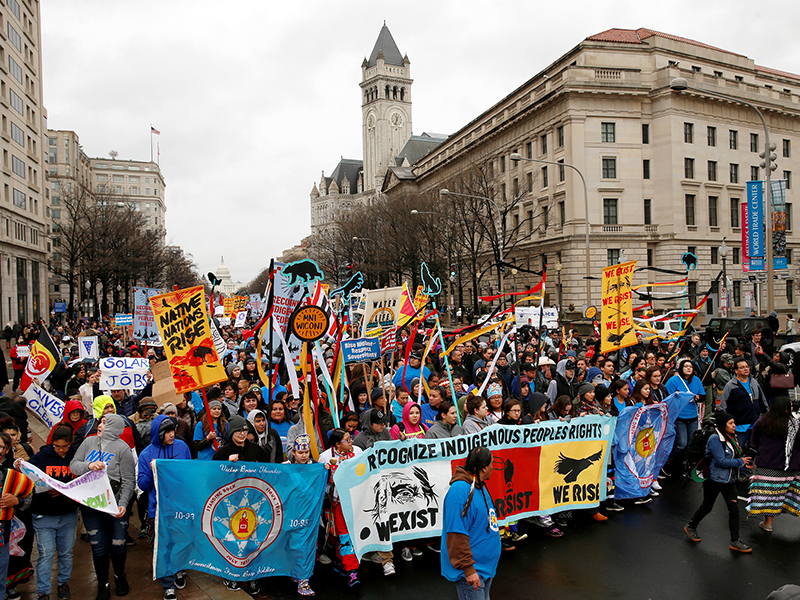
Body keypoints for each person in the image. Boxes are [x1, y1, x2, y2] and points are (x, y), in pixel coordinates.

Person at [70, 414, 135, 600]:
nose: (100, 425)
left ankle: (119, 576)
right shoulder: (88, 443)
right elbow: (73, 466)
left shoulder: (123, 449)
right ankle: (102, 583)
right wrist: (88, 465)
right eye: (100, 422)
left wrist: (123, 504)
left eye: (105, 423)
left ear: (115, 427)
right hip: (92, 506)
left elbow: (129, 480)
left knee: (118, 544)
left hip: (115, 506)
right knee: (98, 547)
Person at [137, 415, 192, 600]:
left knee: (181, 541)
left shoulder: (182, 447)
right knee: (163, 546)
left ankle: (178, 570)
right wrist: (153, 472)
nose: (171, 435)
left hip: (180, 506)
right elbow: (142, 485)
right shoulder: (146, 454)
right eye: (167, 432)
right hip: (158, 508)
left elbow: (190, 472)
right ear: (158, 434)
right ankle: (167, 584)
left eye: (172, 430)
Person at [684, 410, 753, 553]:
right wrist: (741, 461)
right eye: (731, 423)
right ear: (723, 425)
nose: (734, 425)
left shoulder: (732, 437)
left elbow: (736, 455)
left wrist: (744, 461)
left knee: (734, 510)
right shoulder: (715, 439)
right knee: (707, 507)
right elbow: (721, 461)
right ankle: (691, 526)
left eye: (734, 423)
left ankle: (735, 541)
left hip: (730, 480)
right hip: (714, 480)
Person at [212, 416, 268, 594]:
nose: (243, 434)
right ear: (231, 433)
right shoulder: (222, 453)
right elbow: (213, 478)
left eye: (245, 430)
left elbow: (269, 472)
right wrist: (226, 465)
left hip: (254, 503)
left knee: (253, 540)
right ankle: (232, 574)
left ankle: (252, 576)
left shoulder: (257, 450)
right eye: (238, 431)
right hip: (232, 505)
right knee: (233, 541)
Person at [441, 446, 501, 600]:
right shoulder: (460, 492)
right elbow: (456, 532)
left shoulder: (478, 485)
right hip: (473, 572)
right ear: (484, 468)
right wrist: (468, 569)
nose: (493, 467)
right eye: (492, 464)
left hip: (484, 569)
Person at [26, 425, 78, 600]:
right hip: (44, 514)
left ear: (70, 443)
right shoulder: (41, 457)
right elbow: (28, 477)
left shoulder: (76, 455)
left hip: (68, 513)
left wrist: (65, 490)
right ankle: (43, 591)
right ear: (52, 443)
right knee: (46, 554)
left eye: (65, 446)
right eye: (57, 447)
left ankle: (63, 583)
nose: (61, 450)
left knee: (66, 552)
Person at [318, 429, 365, 585]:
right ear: (337, 444)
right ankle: (352, 571)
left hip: (356, 500)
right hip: (336, 503)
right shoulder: (325, 457)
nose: (351, 441)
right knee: (345, 535)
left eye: (350, 438)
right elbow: (319, 483)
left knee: (350, 534)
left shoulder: (358, 451)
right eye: (347, 439)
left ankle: (340, 563)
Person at [747, 396, 800, 533]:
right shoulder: (794, 424)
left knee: (771, 495)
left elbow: (754, 443)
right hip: (790, 467)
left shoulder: (763, 421)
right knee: (787, 494)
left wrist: (752, 459)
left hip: (767, 465)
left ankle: (768, 523)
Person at [665, 358, 705, 472]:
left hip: (692, 416)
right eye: (686, 366)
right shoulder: (673, 380)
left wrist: (698, 397)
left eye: (691, 367)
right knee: (681, 443)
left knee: (690, 444)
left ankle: (685, 463)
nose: (689, 368)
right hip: (679, 417)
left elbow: (703, 396)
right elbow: (667, 397)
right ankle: (668, 459)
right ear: (681, 368)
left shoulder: (696, 380)